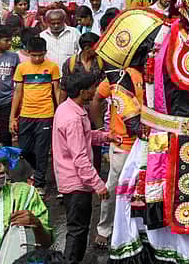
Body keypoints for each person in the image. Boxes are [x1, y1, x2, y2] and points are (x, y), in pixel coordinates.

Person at [52, 71, 111, 263]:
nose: (95, 91)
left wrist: (104, 136)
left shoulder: (67, 108)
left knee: (77, 228)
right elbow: (80, 158)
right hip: (76, 182)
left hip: (69, 178)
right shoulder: (73, 118)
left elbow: (83, 138)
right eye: (92, 88)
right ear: (83, 91)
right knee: (78, 231)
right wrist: (98, 184)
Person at [10, 36, 63, 193]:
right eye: (34, 55)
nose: (37, 58)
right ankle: (33, 173)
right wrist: (12, 117)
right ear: (28, 53)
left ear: (45, 53)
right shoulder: (22, 68)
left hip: (46, 114)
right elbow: (18, 92)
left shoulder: (52, 67)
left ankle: (39, 183)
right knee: (25, 149)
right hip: (26, 114)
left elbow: (57, 91)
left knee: (42, 150)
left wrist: (60, 113)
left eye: (40, 55)